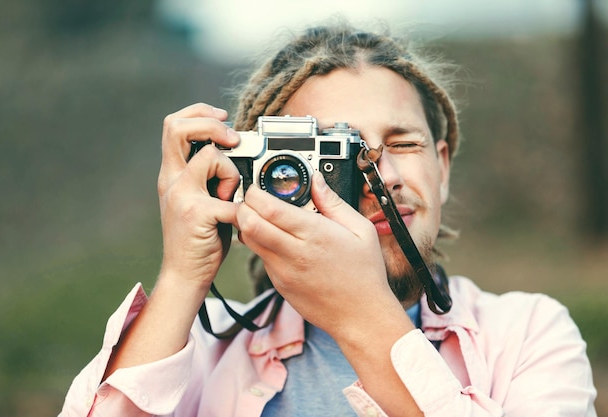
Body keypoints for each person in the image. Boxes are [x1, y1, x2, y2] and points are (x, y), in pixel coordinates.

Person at [59, 21, 597, 417]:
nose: (377, 176)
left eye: (402, 143)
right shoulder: (196, 352)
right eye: (336, 153)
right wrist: (180, 277)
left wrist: (360, 314)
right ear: (265, 176)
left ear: (443, 166)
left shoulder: (528, 334)